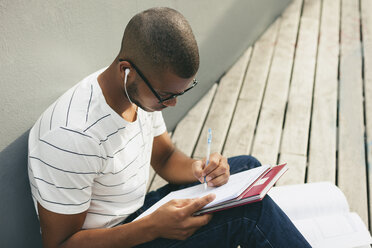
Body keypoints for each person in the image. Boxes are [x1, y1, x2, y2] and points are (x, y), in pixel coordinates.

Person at [28, 7, 311, 248]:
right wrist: (152, 228)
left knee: (247, 169)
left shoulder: (136, 90)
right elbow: (61, 244)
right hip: (120, 235)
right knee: (252, 213)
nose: (173, 104)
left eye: (180, 93)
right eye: (166, 95)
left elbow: (164, 158)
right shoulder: (72, 136)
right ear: (126, 70)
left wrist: (199, 169)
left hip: (140, 217)